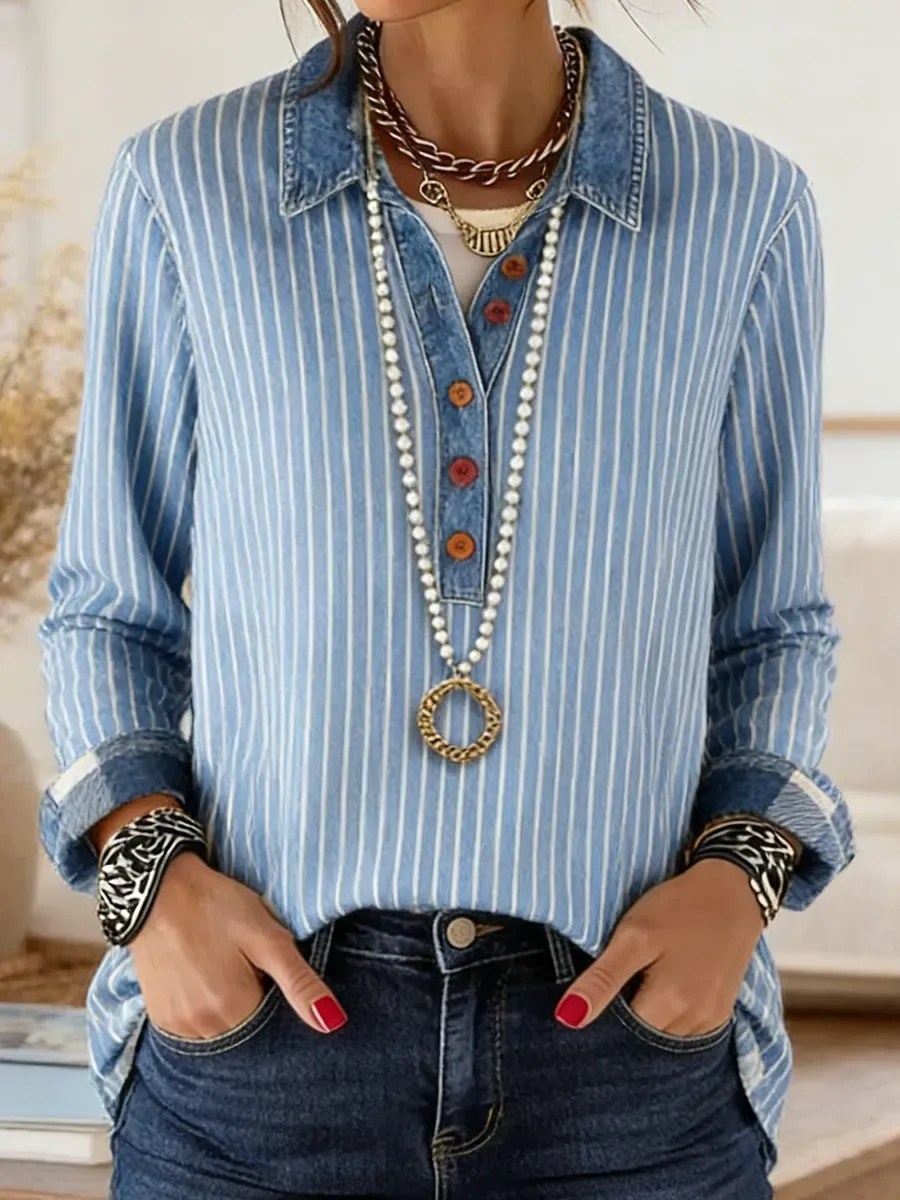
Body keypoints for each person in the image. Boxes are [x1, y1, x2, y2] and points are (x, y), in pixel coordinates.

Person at [37, 1, 855, 1196]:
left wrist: (742, 879)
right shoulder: (186, 186)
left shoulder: (743, 208)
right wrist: (152, 882)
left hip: (628, 1068)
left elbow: (773, 624)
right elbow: (111, 607)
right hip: (261, 1060)